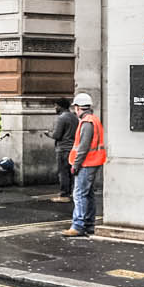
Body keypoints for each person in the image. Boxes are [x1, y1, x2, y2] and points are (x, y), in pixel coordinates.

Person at [62, 92, 106, 238]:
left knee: (79, 194)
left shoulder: (87, 122)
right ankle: (89, 224)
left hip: (87, 163)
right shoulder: (93, 120)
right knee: (88, 194)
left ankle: (78, 225)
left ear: (77, 107)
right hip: (93, 161)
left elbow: (83, 147)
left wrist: (75, 164)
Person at [50, 100, 79, 197]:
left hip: (63, 149)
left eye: (56, 106)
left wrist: (49, 134)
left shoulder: (61, 118)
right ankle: (72, 191)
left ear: (61, 106)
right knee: (71, 172)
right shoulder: (75, 117)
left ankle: (64, 193)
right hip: (72, 148)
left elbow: (57, 135)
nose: (55, 108)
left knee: (63, 172)